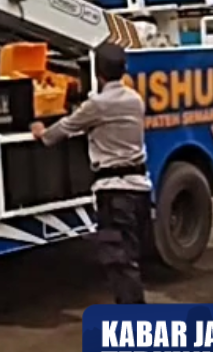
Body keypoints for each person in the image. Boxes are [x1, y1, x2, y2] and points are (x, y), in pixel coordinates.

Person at [31, 42, 151, 305]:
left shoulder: (98, 105)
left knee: (119, 263)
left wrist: (41, 132)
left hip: (115, 193)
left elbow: (65, 128)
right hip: (139, 189)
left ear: (98, 74)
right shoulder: (135, 100)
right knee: (129, 259)